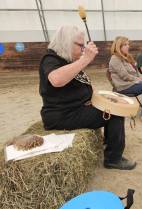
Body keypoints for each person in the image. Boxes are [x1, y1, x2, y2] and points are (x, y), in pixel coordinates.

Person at [39, 26, 136, 170]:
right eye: (80, 45)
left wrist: (95, 98)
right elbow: (57, 80)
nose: (83, 49)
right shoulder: (50, 59)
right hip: (62, 115)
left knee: (109, 107)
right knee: (114, 113)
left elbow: (82, 84)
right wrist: (85, 59)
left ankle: (109, 145)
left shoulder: (68, 60)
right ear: (67, 42)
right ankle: (113, 159)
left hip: (75, 109)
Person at [109, 36, 142, 125]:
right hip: (124, 86)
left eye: (128, 44)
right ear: (118, 47)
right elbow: (124, 76)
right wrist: (138, 79)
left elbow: (135, 71)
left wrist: (141, 77)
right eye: (125, 45)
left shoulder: (126, 57)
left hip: (132, 82)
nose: (128, 46)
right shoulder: (115, 59)